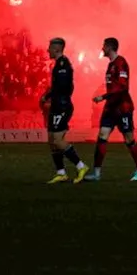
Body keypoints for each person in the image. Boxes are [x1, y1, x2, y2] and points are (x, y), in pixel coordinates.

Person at [88, 37, 137, 182]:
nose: (102, 49)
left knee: (129, 139)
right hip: (110, 108)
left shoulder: (121, 63)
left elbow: (123, 88)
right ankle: (96, 173)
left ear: (109, 47)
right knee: (102, 136)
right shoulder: (110, 65)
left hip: (122, 107)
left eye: (103, 46)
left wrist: (103, 97)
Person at [40, 38, 88, 184]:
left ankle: (81, 166)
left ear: (56, 48)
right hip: (57, 105)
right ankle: (61, 173)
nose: (47, 50)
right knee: (51, 140)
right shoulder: (58, 64)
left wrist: (47, 96)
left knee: (58, 140)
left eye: (49, 47)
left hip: (62, 106)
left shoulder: (63, 64)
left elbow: (62, 87)